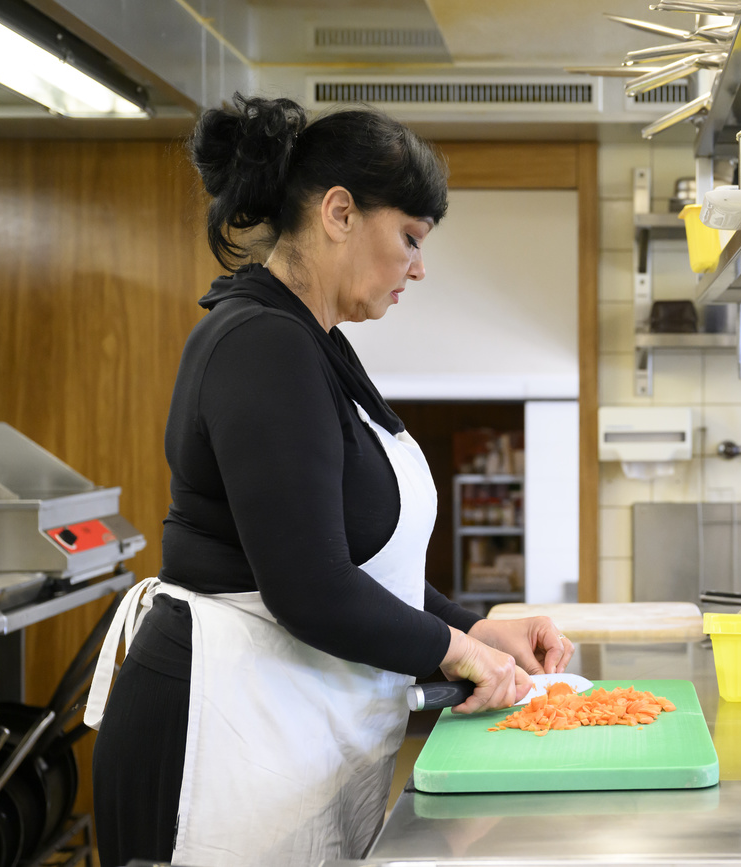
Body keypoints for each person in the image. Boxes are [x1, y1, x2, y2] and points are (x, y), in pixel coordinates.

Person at [84, 93, 574, 867]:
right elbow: (310, 585)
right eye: (410, 237)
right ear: (339, 212)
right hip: (215, 735)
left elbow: (358, 558)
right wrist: (451, 648)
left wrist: (475, 629)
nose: (420, 265)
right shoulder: (262, 344)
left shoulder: (314, 341)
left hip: (276, 724)